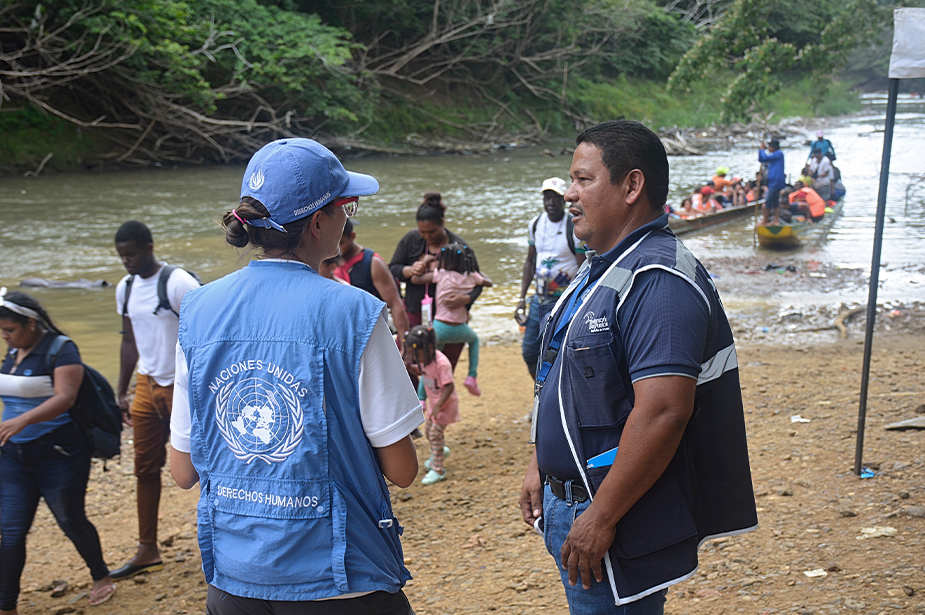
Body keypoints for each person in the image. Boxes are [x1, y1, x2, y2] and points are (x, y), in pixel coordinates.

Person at [169, 138, 422, 613]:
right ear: (319, 222)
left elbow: (183, 470)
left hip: (235, 578)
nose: (349, 217)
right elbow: (403, 470)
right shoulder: (356, 314)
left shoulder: (198, 309)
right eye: (346, 206)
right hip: (339, 577)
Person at [519, 120, 757, 614]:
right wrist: (540, 460)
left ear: (631, 185)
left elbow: (665, 410)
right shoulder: (601, 267)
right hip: (574, 500)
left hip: (614, 512)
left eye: (584, 180)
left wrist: (601, 517)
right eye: (571, 180)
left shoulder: (659, 279)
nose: (569, 193)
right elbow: (566, 376)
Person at [0, 290, 115, 611]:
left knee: (71, 520)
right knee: (10, 531)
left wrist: (21, 420)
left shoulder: (61, 350)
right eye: (2, 331)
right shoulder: (13, 353)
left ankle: (101, 576)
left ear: (32, 323)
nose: (5, 336)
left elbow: (65, 397)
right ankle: (6, 605)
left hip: (58, 453)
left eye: (11, 330)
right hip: (12, 456)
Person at [111, 221, 201, 580]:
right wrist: (122, 390)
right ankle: (147, 548)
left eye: (131, 253)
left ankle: (223, 535)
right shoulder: (126, 288)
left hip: (182, 386)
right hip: (146, 386)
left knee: (201, 464)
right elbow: (129, 341)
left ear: (149, 247)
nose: (126, 261)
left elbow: (207, 331)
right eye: (121, 256)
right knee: (145, 468)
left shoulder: (179, 283)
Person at [389, 193, 481, 369]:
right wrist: (408, 270)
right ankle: (416, 397)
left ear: (442, 224)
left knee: (443, 368)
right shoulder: (411, 240)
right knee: (407, 364)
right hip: (416, 313)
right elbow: (393, 268)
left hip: (451, 320)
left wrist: (466, 299)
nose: (427, 236)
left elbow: (477, 281)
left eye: (432, 231)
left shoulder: (459, 248)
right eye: (422, 232)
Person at [516, 178, 587, 379]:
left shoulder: (572, 226)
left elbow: (583, 266)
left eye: (555, 198)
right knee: (530, 351)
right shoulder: (536, 224)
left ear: (564, 200)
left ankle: (555, 396)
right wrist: (521, 298)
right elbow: (530, 262)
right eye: (547, 198)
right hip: (539, 300)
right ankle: (540, 392)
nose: (550, 203)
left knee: (558, 352)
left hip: (564, 301)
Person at [412, 242, 492, 396]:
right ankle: (471, 376)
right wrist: (473, 269)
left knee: (430, 362)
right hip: (461, 329)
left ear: (445, 261)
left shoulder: (441, 274)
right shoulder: (471, 276)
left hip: (439, 328)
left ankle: (421, 397)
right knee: (474, 340)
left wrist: (425, 262)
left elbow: (416, 279)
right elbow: (488, 282)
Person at [336, 220, 410, 345]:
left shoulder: (373, 264)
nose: (337, 249)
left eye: (341, 243)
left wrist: (405, 345)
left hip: (372, 336)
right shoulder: (328, 262)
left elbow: (395, 304)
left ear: (352, 237)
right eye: (334, 244)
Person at [404, 326, 459, 486]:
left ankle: (439, 469)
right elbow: (423, 373)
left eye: (417, 354)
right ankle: (440, 452)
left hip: (445, 406)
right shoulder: (425, 361)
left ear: (428, 348)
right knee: (428, 431)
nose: (415, 357)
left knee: (435, 434)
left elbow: (449, 386)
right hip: (435, 405)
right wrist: (410, 368)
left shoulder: (441, 363)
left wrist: (438, 406)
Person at [759, 139, 785, 226]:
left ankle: (765, 220)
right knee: (775, 202)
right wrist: (761, 150)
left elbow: (764, 157)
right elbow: (761, 159)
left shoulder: (778, 154)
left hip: (775, 182)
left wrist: (762, 150)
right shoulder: (774, 156)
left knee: (768, 201)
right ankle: (775, 220)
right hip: (773, 182)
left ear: (773, 147)